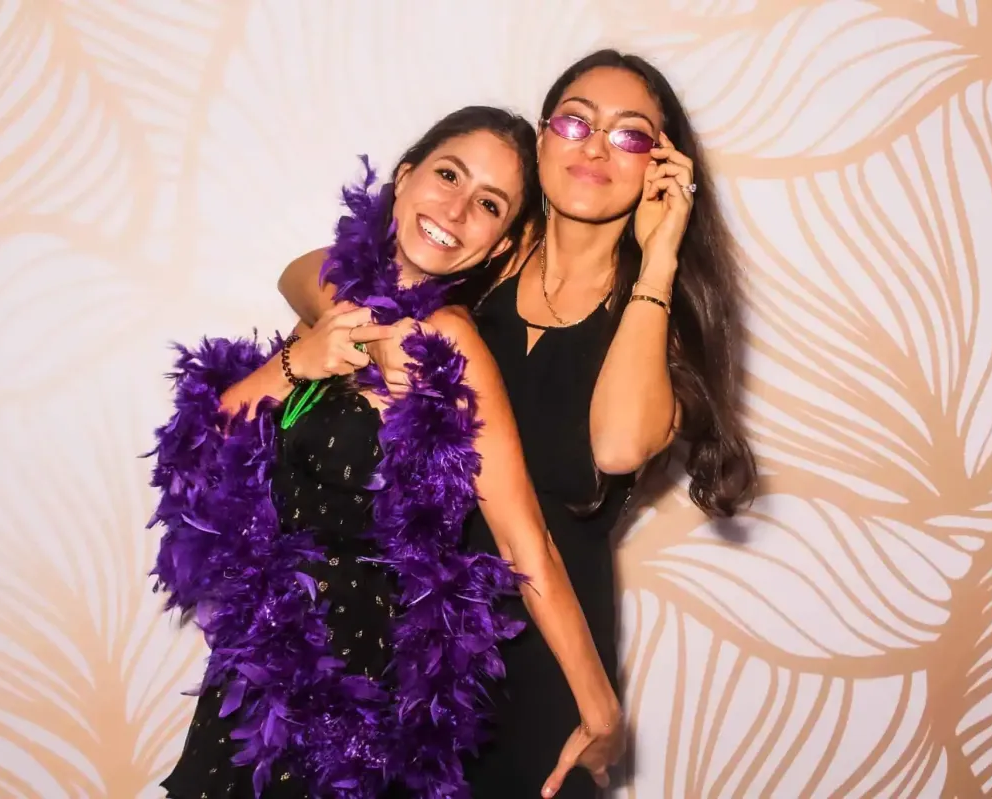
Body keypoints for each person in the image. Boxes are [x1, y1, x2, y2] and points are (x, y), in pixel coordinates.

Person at [278, 50, 758, 797]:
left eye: (630, 136)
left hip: (551, 662)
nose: (595, 146)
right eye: (575, 120)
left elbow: (618, 444)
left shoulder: (656, 322)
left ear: (664, 168)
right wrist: (375, 327)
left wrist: (659, 260)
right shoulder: (481, 255)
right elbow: (305, 271)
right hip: (406, 639)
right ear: (542, 140)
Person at [146, 105, 624, 799]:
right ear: (403, 179)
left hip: (353, 704)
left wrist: (598, 702)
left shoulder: (450, 347)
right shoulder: (335, 300)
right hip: (259, 681)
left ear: (498, 242)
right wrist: (296, 363)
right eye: (448, 174)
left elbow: (528, 544)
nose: (457, 209)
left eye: (488, 204)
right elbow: (201, 450)